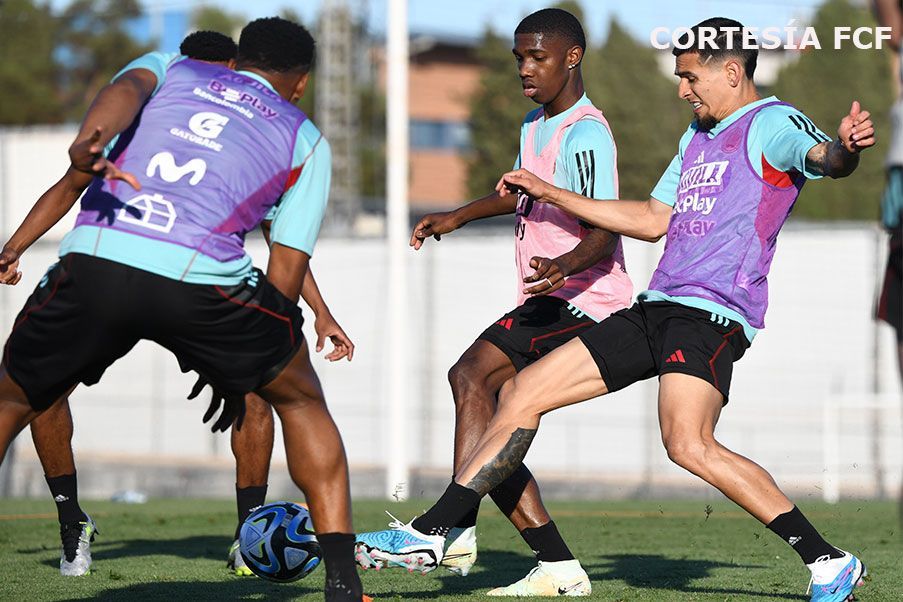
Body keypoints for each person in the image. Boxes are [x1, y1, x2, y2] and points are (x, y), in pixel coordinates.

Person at [354, 18, 875, 602]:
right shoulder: (696, 137)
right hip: (656, 307)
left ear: (731, 71)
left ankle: (827, 559)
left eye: (689, 77)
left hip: (711, 314)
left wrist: (843, 151)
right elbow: (652, 221)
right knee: (521, 395)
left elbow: (822, 156)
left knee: (688, 444)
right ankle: (436, 531)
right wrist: (553, 194)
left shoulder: (770, 122)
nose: (683, 89)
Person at [0, 17, 366, 602]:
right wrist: (255, 357)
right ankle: (344, 587)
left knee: (13, 394)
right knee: (299, 399)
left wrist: (87, 138)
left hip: (101, 257)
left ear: (240, 59)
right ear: (300, 84)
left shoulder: (169, 69)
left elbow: (122, 92)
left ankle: (243, 530)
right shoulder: (305, 138)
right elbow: (284, 275)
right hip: (202, 282)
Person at [363, 8, 631, 596]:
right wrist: (458, 216)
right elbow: (524, 198)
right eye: (519, 59)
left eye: (537, 57)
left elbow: (604, 230)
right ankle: (556, 565)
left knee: (472, 376)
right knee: (494, 415)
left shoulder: (585, 132)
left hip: (585, 299)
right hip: (549, 294)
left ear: (572, 58)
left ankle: (452, 529)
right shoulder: (535, 124)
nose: (525, 69)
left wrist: (562, 265)